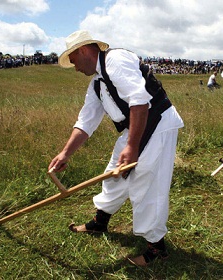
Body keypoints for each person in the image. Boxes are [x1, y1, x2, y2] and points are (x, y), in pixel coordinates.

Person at [48, 30, 184, 266]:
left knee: (147, 183)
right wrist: (65, 153)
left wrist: (131, 146)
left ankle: (157, 248)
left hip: (158, 122)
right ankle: (100, 222)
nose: (75, 67)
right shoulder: (97, 85)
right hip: (135, 126)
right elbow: (86, 121)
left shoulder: (115, 60)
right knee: (113, 174)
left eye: (73, 60)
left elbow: (140, 101)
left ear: (82, 50)